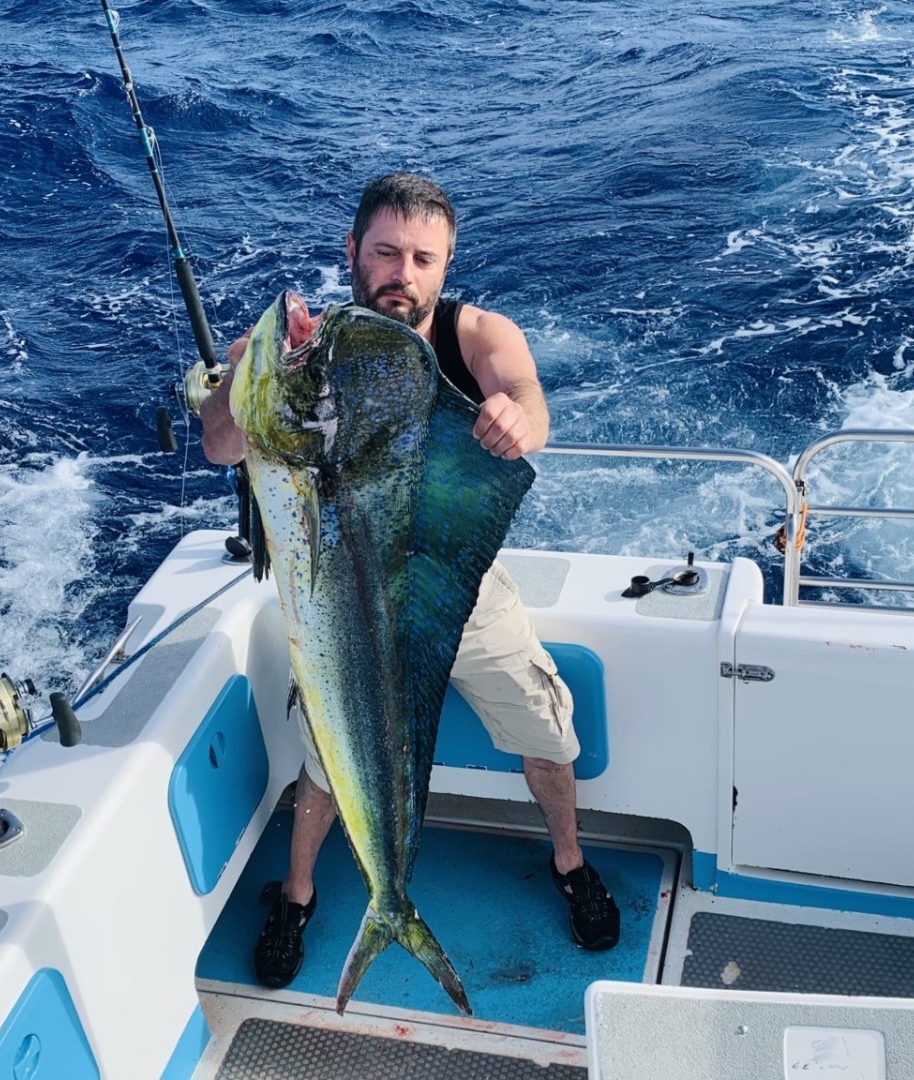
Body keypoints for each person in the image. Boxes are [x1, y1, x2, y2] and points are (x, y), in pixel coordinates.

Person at [200, 173, 619, 990]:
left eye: (424, 258)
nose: (404, 273)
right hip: (340, 597)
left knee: (544, 728)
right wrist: (239, 385)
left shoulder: (478, 334)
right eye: (386, 252)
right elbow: (222, 446)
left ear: (446, 263)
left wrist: (520, 420)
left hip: (453, 590)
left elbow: (528, 401)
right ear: (353, 250)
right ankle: (299, 894)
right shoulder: (305, 352)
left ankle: (570, 862)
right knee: (331, 755)